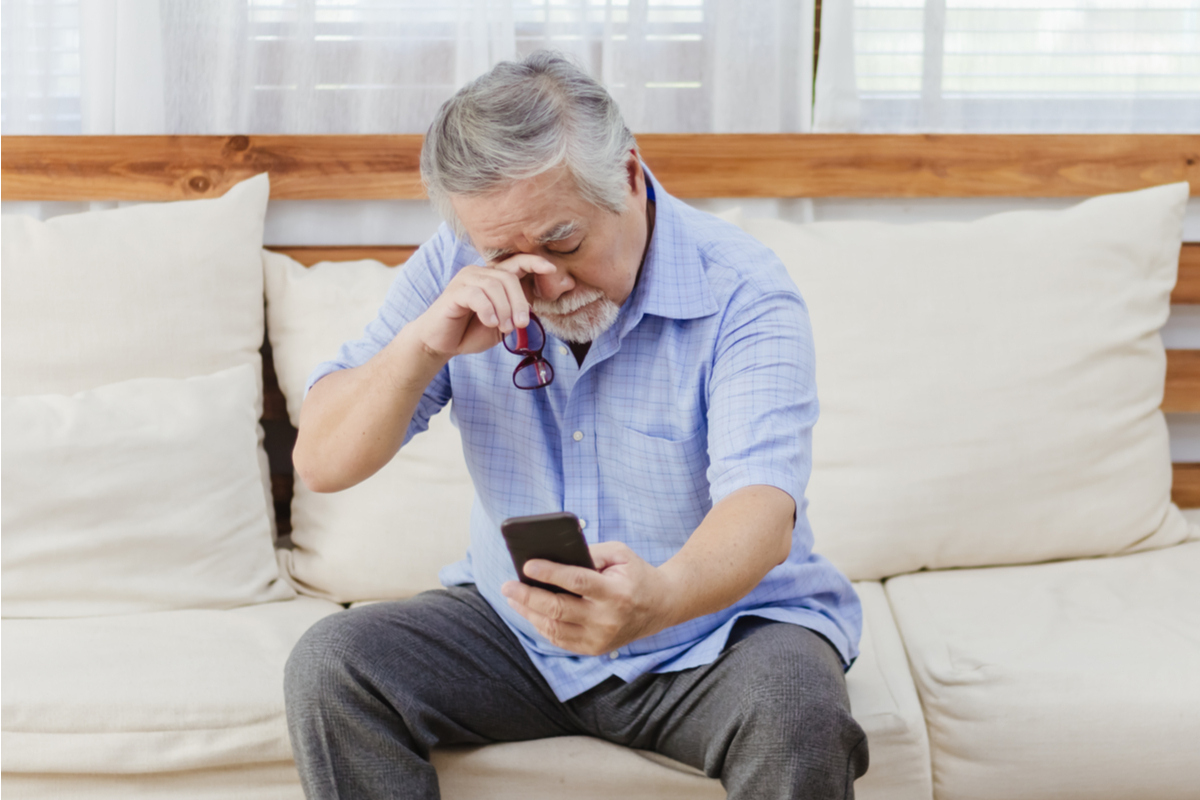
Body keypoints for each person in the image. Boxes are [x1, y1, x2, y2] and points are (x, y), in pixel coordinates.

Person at [284, 50, 868, 800]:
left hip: (714, 633)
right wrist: (423, 345)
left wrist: (657, 598)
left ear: (627, 176)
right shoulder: (453, 267)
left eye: (563, 243)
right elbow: (324, 462)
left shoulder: (745, 291)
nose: (547, 283)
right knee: (333, 664)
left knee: (798, 712)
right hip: (518, 635)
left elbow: (762, 507)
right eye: (508, 257)